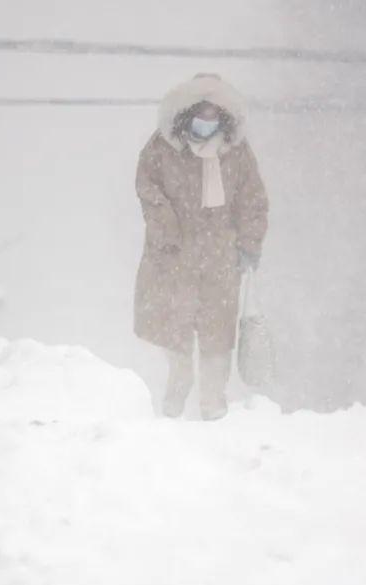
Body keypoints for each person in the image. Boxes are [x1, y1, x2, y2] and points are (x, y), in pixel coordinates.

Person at [133, 73, 269, 421]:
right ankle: (177, 390)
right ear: (187, 114)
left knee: (217, 336)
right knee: (174, 329)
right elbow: (148, 189)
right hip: (174, 255)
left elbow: (253, 200)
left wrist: (249, 244)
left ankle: (213, 403)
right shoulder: (162, 148)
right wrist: (166, 229)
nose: (206, 123)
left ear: (222, 118)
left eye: (213, 116)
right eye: (200, 115)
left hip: (220, 258)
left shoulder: (237, 153)